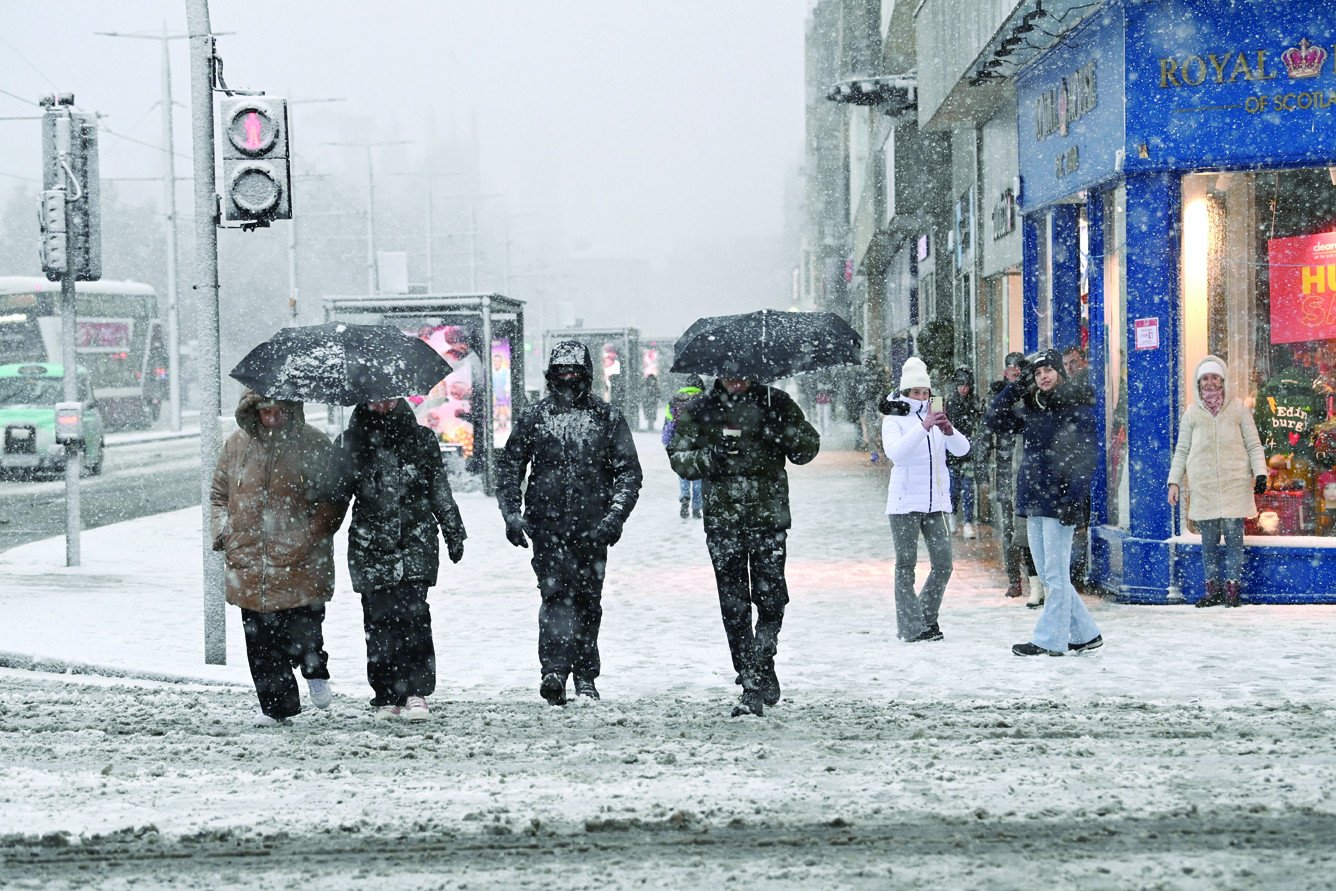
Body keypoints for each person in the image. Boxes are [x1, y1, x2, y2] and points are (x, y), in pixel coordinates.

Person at [497, 340, 643, 706]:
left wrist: (614, 518)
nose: (568, 378)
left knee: (588, 601)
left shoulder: (607, 418)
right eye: (561, 371)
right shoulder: (536, 416)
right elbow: (511, 466)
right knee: (555, 598)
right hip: (547, 528)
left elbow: (628, 473)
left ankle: (585, 675)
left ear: (586, 375)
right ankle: (555, 670)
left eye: (574, 372)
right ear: (551, 375)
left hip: (593, 528)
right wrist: (512, 514)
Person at [667, 376, 820, 717]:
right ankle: (750, 680)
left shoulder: (775, 402)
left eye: (743, 372)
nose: (735, 379)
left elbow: (807, 449)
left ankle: (764, 659)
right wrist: (713, 455)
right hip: (723, 523)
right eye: (727, 372)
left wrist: (780, 432)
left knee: (772, 598)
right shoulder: (702, 408)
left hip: (769, 518)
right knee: (734, 605)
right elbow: (679, 458)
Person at [210, 392, 344, 726]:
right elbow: (218, 495)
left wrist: (311, 533)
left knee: (304, 631)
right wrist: (224, 531)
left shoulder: (313, 444)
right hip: (249, 558)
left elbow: (332, 497)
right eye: (265, 412)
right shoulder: (235, 445)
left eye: (278, 412)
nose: (272, 419)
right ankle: (275, 706)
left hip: (299, 558)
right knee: (260, 640)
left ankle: (314, 668)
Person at [333, 396, 467, 720]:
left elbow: (438, 487)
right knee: (378, 619)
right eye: (375, 399)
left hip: (415, 542)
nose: (382, 405)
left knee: (414, 616)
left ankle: (416, 691)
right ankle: (386, 693)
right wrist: (318, 533)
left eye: (388, 398)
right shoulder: (350, 443)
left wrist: (453, 529)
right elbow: (336, 497)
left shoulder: (421, 439)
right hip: (371, 545)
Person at [985, 349, 1103, 657]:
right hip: (1033, 497)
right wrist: (1015, 384)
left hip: (1060, 500)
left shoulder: (1075, 406)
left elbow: (1086, 457)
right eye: (1037, 374)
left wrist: (1074, 499)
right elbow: (994, 418)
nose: (1043, 377)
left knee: (1054, 573)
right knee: (1050, 572)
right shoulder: (1032, 406)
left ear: (1060, 372)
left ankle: (1049, 639)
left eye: (1048, 371)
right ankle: (1086, 634)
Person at [880, 357, 971, 643]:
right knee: (906, 565)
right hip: (905, 502)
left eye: (925, 392)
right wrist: (923, 427)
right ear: (905, 393)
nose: (921, 397)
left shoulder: (937, 416)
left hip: (937, 503)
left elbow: (962, 449)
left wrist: (947, 429)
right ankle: (910, 628)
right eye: (915, 392)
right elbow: (896, 454)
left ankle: (925, 619)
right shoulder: (894, 419)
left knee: (944, 564)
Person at [1168, 356, 1267, 608]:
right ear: (1198, 383)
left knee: (1235, 539)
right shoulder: (1192, 414)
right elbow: (1181, 450)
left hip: (1235, 483)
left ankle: (1232, 589)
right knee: (1208, 542)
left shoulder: (1238, 410)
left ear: (1223, 381)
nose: (1210, 383)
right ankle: (1213, 590)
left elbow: (1254, 444)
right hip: (1205, 487)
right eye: (1205, 378)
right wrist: (1174, 482)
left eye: (1215, 378)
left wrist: (1260, 473)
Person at [987, 353, 1039, 600]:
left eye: (1020, 371)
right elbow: (988, 428)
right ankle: (1014, 579)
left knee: (1029, 529)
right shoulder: (1001, 396)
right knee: (1010, 530)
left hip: (1027, 471)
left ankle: (1035, 582)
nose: (1015, 374)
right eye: (1011, 370)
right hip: (1006, 472)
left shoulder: (1030, 398)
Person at [1061, 343, 1093, 588]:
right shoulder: (1067, 388)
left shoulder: (1082, 385)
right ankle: (1076, 572)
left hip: (1082, 459)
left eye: (1073, 362)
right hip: (1075, 460)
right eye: (1066, 364)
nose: (1070, 368)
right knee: (1078, 519)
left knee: (1079, 520)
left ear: (1082, 361)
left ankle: (1076, 573)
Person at [944, 366, 981, 539]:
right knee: (954, 487)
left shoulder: (974, 402)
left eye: (966, 385)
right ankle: (953, 516)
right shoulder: (949, 402)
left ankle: (967, 522)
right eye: (960, 385)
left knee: (968, 487)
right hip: (952, 452)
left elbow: (979, 424)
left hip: (968, 452)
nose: (963, 389)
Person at [662, 374, 706, 519]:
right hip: (699, 441)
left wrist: (667, 440)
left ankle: (685, 497)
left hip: (680, 440)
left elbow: (669, 422)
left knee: (684, 471)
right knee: (699, 473)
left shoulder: (675, 400)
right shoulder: (704, 399)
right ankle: (697, 507)